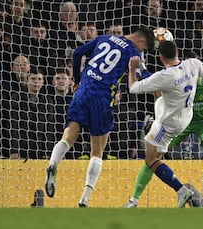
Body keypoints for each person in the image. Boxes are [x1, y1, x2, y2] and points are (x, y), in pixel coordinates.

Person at [44, 26, 156, 207]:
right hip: (103, 99)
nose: (142, 52)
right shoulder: (133, 52)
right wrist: (162, 82)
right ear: (142, 41)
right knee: (97, 151)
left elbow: (78, 52)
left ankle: (52, 164)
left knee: (69, 135)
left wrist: (78, 79)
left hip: (83, 91)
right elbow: (144, 75)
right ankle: (85, 198)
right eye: (144, 49)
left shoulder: (104, 38)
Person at [126, 41, 203, 208]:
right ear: (177, 52)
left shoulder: (164, 77)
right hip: (185, 116)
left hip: (167, 124)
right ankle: (134, 200)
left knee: (151, 160)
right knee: (159, 91)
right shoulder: (192, 63)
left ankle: (181, 190)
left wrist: (132, 69)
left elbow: (133, 88)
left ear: (160, 57)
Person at [122, 72, 203, 208]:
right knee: (153, 157)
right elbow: (160, 95)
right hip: (182, 122)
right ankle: (134, 200)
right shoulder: (177, 81)